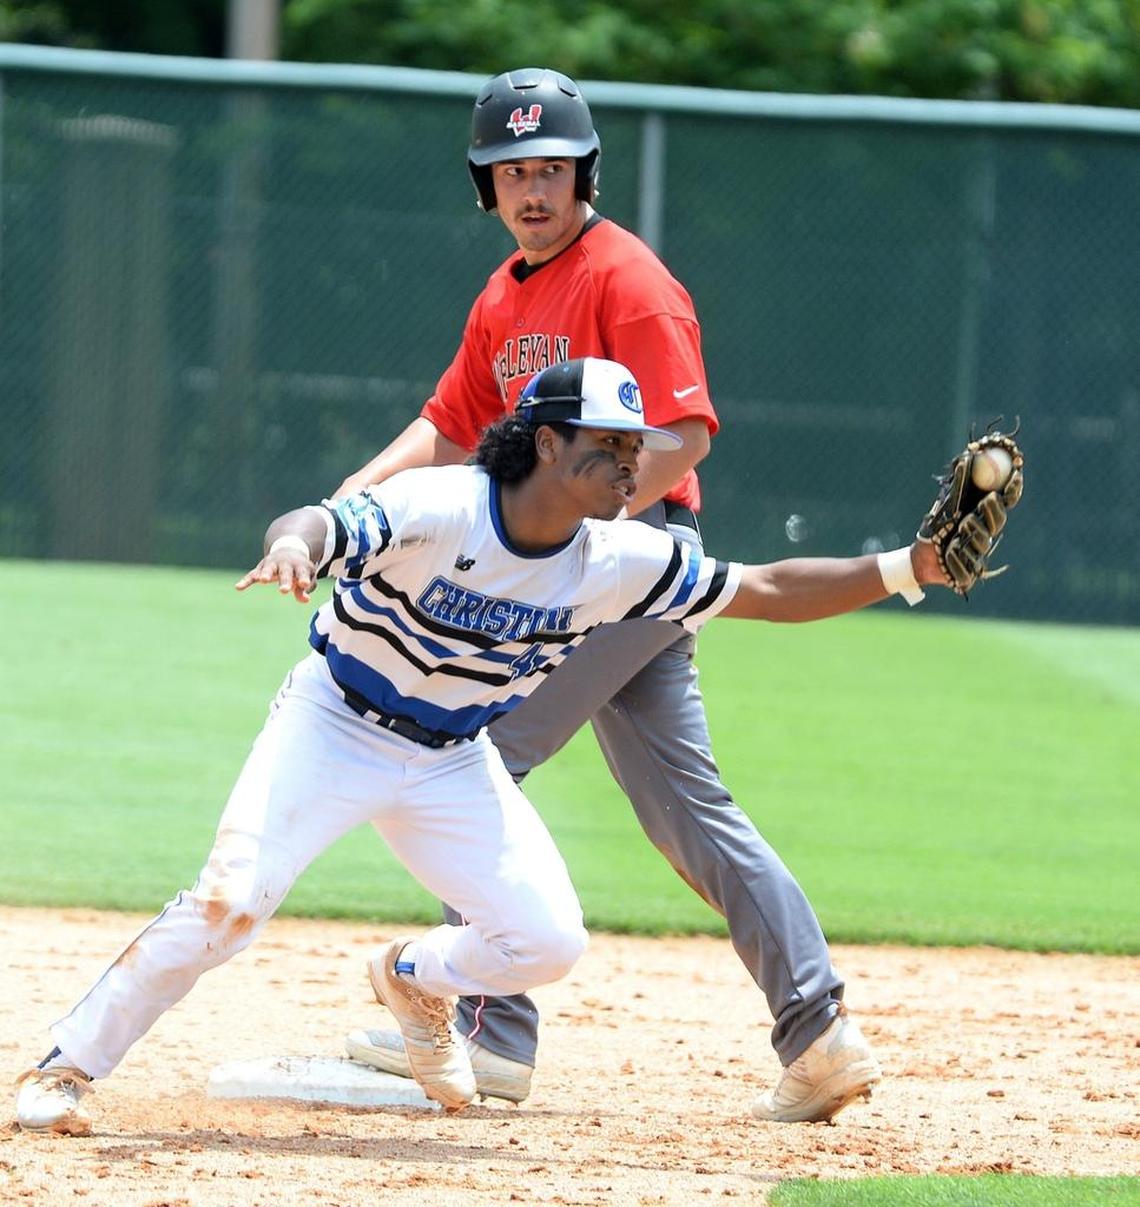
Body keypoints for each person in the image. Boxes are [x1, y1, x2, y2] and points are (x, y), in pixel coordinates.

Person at [15, 356, 950, 1137]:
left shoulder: (619, 557)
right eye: (610, 446)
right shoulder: (443, 506)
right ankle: (67, 1068)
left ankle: (412, 978)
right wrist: (294, 547)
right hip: (333, 721)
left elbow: (770, 587)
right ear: (547, 442)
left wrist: (914, 566)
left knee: (547, 939)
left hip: (452, 759)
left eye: (639, 448)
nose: (633, 466)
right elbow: (318, 520)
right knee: (230, 901)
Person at [335, 67, 883, 1124]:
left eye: (551, 169)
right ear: (486, 187)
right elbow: (450, 426)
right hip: (608, 576)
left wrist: (580, 538)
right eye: (512, 172)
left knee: (471, 757)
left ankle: (495, 1034)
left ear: (583, 173)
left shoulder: (628, 279)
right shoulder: (506, 293)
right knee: (689, 811)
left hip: (629, 564)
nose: (533, 189)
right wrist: (353, 495)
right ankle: (820, 1036)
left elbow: (682, 434)